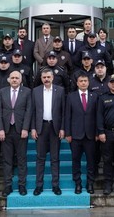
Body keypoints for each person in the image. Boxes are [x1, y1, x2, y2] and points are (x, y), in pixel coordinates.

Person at [0, 71, 33, 197]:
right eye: (12, 78)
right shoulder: (2, 91)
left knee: (22, 159)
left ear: (21, 80)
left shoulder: (27, 92)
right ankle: (8, 185)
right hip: (6, 130)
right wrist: (0, 129)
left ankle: (22, 185)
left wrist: (26, 128)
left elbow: (29, 111)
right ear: (8, 79)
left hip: (20, 130)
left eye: (17, 78)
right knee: (7, 160)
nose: (14, 80)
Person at [31, 68, 65, 196]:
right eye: (44, 77)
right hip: (41, 127)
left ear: (52, 78)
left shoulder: (60, 90)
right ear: (41, 78)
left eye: (48, 77)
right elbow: (33, 111)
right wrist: (33, 128)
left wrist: (62, 128)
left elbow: (63, 111)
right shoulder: (35, 91)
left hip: (55, 127)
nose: (46, 79)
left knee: (55, 158)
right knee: (40, 158)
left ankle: (55, 185)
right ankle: (39, 185)